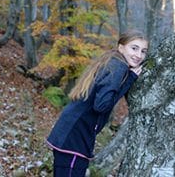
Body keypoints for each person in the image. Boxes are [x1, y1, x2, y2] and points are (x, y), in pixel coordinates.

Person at [46, 30, 148, 177]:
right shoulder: (118, 66)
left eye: (143, 51)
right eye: (134, 48)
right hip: (75, 138)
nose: (139, 55)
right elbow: (101, 105)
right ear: (121, 47)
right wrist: (130, 79)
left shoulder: (112, 61)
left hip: (71, 134)